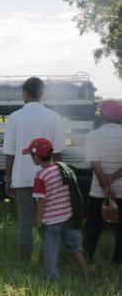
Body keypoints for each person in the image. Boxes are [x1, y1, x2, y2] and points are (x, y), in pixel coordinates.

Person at [2, 76, 66, 261]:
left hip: (22, 178)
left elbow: (10, 153)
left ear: (25, 94)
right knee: (49, 221)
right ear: (42, 94)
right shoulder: (54, 117)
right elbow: (59, 153)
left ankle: (24, 261)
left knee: (25, 221)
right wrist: (61, 178)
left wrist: (8, 180)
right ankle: (49, 259)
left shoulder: (15, 118)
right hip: (48, 179)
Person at [23, 138, 88, 280]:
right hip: (68, 217)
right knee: (77, 249)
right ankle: (86, 277)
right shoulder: (60, 168)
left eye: (31, 155)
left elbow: (41, 200)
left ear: (36, 157)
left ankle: (52, 283)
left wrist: (38, 219)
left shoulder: (40, 176)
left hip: (51, 222)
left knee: (51, 254)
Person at [84, 99, 122, 264]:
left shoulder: (93, 135)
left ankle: (88, 255)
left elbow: (94, 161)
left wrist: (105, 184)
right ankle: (118, 259)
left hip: (97, 191)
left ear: (102, 117)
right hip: (121, 190)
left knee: (93, 225)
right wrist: (113, 178)